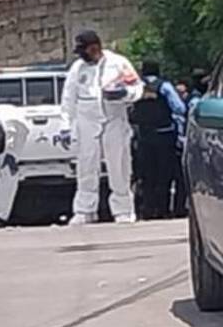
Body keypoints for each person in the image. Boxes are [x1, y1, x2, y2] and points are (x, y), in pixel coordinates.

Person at [60, 30, 144, 226]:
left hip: (113, 121)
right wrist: (65, 126)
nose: (82, 55)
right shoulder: (78, 68)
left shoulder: (118, 63)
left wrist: (124, 93)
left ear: (94, 47)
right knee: (86, 167)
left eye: (84, 50)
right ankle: (85, 210)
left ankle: (123, 210)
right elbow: (68, 98)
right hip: (87, 123)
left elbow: (138, 88)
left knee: (119, 167)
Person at [130, 60, 185, 220]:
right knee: (164, 175)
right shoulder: (164, 87)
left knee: (146, 176)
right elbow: (179, 108)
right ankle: (163, 210)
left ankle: (147, 210)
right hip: (164, 136)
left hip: (144, 138)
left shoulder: (137, 88)